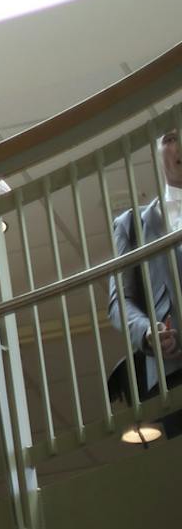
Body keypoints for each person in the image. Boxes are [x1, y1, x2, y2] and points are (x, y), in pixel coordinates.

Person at [107, 128, 182, 430]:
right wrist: (148, 332)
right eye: (172, 137)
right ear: (158, 152)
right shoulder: (131, 225)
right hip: (176, 371)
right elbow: (120, 302)